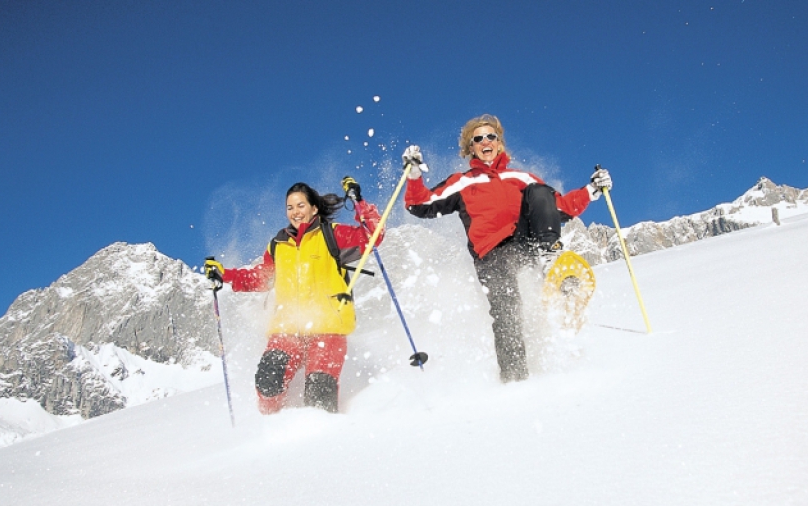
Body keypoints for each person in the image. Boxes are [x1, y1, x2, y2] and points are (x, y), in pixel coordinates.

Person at [401, 114, 612, 383]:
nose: (485, 141)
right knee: (507, 311)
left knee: (539, 191)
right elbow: (420, 204)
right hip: (492, 255)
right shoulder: (462, 182)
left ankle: (552, 262)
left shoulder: (521, 177)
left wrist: (592, 190)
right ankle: (515, 382)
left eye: (491, 136)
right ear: (470, 147)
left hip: (526, 242)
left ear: (499, 143)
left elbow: (558, 207)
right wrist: (415, 174)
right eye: (478, 138)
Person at [204, 180, 383, 414]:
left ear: (314, 208)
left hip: (327, 330)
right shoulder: (278, 245)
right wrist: (224, 274)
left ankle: (318, 439)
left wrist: (358, 202)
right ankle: (272, 427)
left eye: (300, 206)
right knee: (268, 380)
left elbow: (373, 235)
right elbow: (261, 278)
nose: (295, 212)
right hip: (288, 330)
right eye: (290, 207)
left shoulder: (332, 234)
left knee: (320, 393)